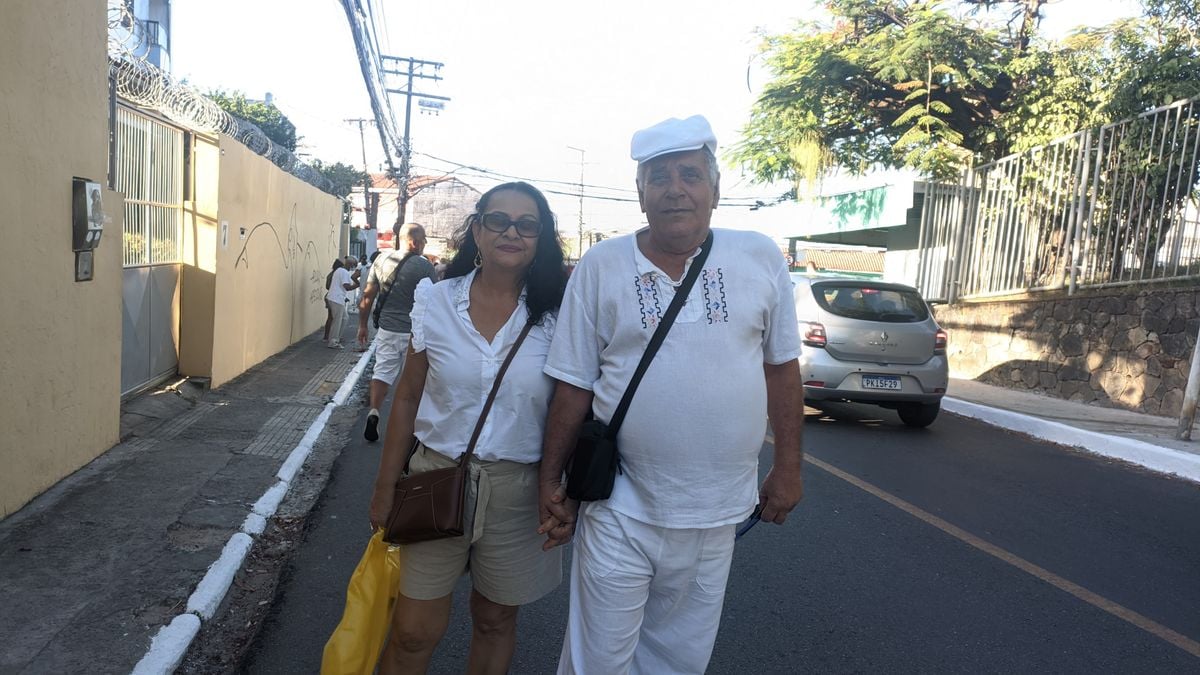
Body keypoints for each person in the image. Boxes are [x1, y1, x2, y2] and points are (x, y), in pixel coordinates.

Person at [537, 115, 806, 674]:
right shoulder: (601, 265)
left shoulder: (758, 257)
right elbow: (573, 383)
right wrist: (551, 482)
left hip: (716, 513)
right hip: (619, 504)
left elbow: (781, 371)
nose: (675, 188)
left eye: (690, 174)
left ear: (714, 189)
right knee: (598, 661)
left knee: (678, 661)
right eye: (659, 176)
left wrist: (788, 468)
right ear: (639, 194)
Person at [368, 182, 569, 674]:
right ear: (476, 229)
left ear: (540, 238)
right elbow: (410, 396)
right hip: (436, 478)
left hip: (519, 492)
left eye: (527, 224)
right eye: (498, 220)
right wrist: (385, 485)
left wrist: (563, 489)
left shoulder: (560, 314)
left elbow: (573, 406)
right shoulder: (435, 301)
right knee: (413, 632)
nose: (511, 232)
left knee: (495, 620)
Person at [357, 223, 438, 442]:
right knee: (414, 379)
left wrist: (363, 325)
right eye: (423, 241)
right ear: (414, 242)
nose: (424, 245)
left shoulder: (381, 259)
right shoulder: (424, 266)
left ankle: (374, 411)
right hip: (415, 333)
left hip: (386, 329)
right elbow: (434, 301)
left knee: (382, 371)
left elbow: (367, 296)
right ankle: (408, 427)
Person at [326, 256, 357, 349]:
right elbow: (346, 286)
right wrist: (357, 285)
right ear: (350, 264)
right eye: (354, 265)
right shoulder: (344, 272)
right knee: (338, 320)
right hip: (337, 299)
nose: (354, 267)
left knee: (344, 318)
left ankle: (336, 338)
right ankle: (333, 341)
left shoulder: (339, 270)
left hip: (334, 298)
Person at [324, 257, 346, 343]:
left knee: (331, 317)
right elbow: (328, 286)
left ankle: (327, 336)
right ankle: (329, 336)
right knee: (332, 317)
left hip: (330, 296)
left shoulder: (332, 273)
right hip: (334, 296)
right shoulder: (336, 274)